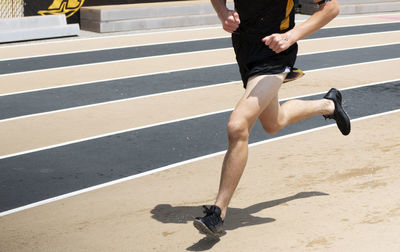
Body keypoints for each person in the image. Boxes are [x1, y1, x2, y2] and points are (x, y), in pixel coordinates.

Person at [193, 0, 350, 237]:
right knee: (273, 123)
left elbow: (331, 7)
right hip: (245, 50)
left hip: (275, 55)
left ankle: (218, 213)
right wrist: (223, 12)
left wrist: (291, 36)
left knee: (238, 125)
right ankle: (328, 105)